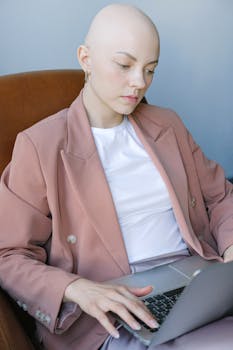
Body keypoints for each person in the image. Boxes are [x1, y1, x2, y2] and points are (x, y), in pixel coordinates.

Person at [0, 3, 233, 350]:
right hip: (110, 311)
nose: (139, 83)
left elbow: (219, 196)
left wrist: (230, 251)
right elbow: (9, 254)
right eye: (124, 65)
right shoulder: (40, 145)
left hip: (195, 284)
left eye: (150, 69)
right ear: (86, 58)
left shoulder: (167, 124)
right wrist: (77, 289)